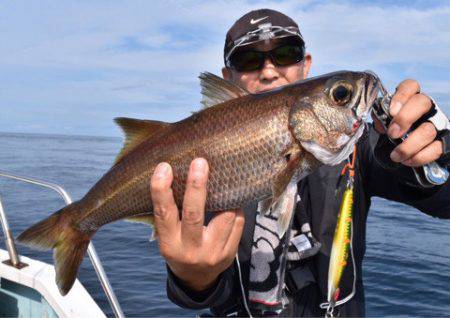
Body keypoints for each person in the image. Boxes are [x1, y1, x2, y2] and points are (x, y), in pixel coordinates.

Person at [149, 9, 450, 317]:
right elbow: (196, 293)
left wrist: (435, 157)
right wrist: (193, 279)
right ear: (228, 78)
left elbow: (445, 201)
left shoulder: (364, 146)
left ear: (306, 66)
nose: (268, 71)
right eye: (248, 61)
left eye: (285, 53)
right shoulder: (206, 160)